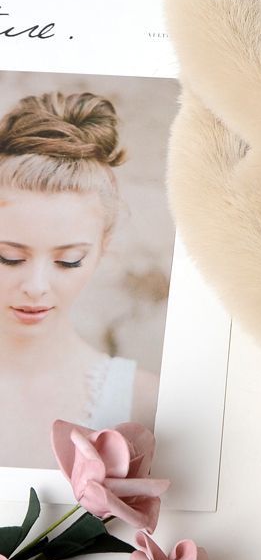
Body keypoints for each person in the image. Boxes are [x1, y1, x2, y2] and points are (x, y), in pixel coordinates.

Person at [0, 91, 158, 468]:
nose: (36, 286)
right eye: (9, 257)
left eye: (68, 261)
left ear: (103, 248)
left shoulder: (143, 402)